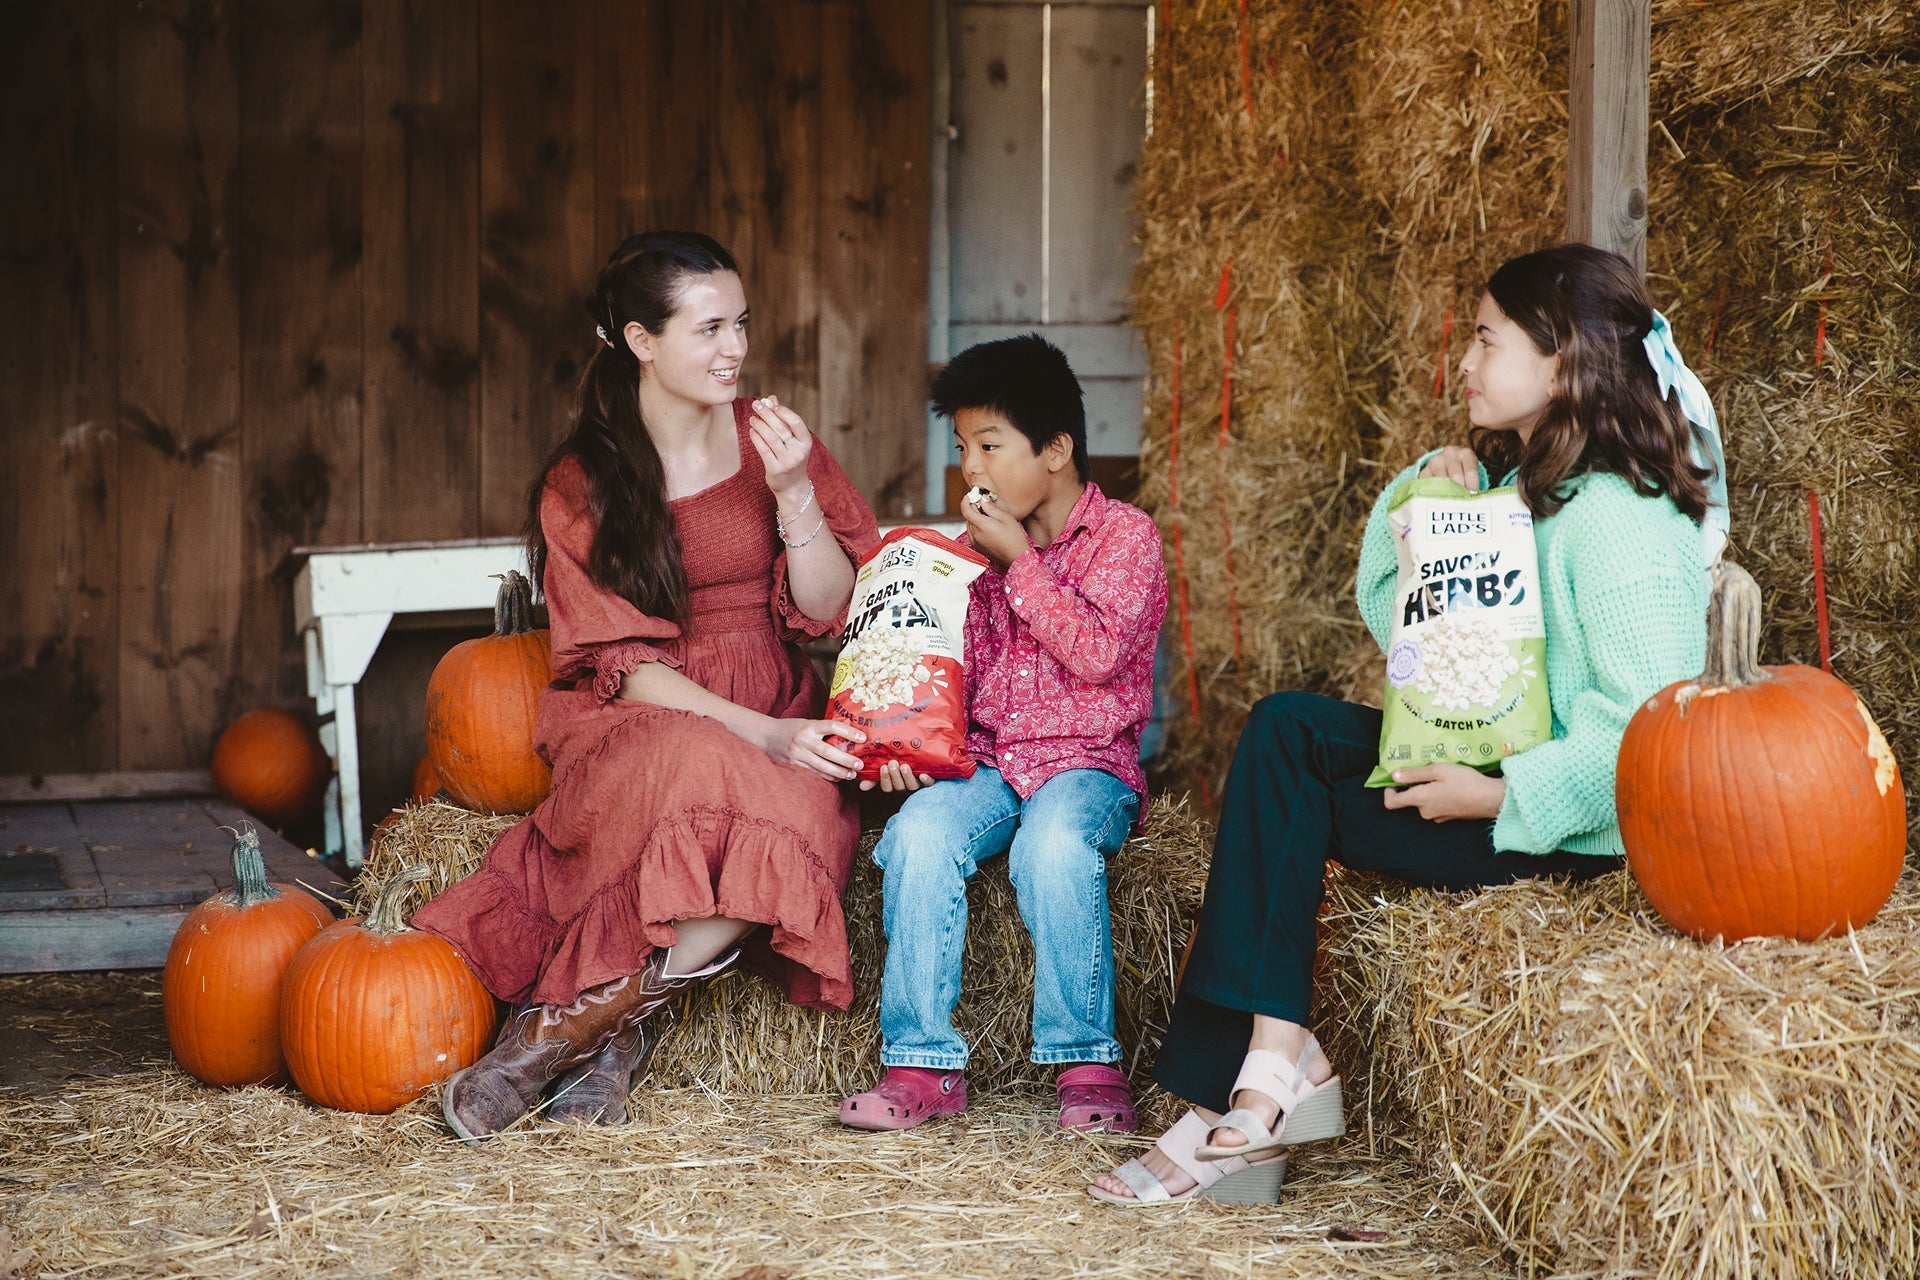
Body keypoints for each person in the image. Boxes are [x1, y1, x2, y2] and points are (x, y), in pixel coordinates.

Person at [1091, 244, 1718, 1205]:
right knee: (1288, 734)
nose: (1463, 362)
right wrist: (1426, 488)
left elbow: (1650, 731)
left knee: (1294, 759)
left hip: (1566, 832)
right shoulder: (1525, 494)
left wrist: (1499, 796)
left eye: (1486, 340)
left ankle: (1247, 1101)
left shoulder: (1621, 520)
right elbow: (1411, 642)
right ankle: (1273, 1063)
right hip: (1490, 781)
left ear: (1561, 358)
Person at [416, 231, 880, 1143]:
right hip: (647, 706)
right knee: (694, 762)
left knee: (799, 818)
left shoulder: (772, 442)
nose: (735, 348)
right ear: (641, 341)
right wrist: (763, 737)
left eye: (741, 323)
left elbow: (833, 607)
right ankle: (602, 1039)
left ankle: (561, 1038)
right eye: (709, 329)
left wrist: (794, 492)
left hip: (775, 694)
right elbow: (625, 670)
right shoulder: (581, 481)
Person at [837, 334, 1170, 1135]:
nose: (971, 470)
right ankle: (921, 1066)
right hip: (987, 764)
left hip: (1085, 766)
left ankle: (1086, 1063)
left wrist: (1020, 561)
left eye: (989, 446)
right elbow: (948, 677)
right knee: (918, 835)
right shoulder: (967, 558)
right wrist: (906, 749)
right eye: (961, 448)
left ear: (1055, 450)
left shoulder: (1125, 538)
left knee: (1053, 847)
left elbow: (1097, 653)